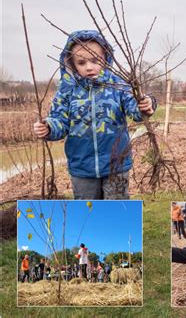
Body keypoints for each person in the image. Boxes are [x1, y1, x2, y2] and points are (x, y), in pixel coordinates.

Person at [33, 30, 157, 199]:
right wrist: (48, 127)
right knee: (87, 215)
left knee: (115, 211)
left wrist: (146, 104)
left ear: (105, 58)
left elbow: (135, 109)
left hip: (116, 165)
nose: (89, 67)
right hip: (82, 166)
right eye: (81, 62)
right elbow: (59, 121)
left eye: (95, 60)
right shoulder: (67, 90)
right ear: (71, 63)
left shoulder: (118, 85)